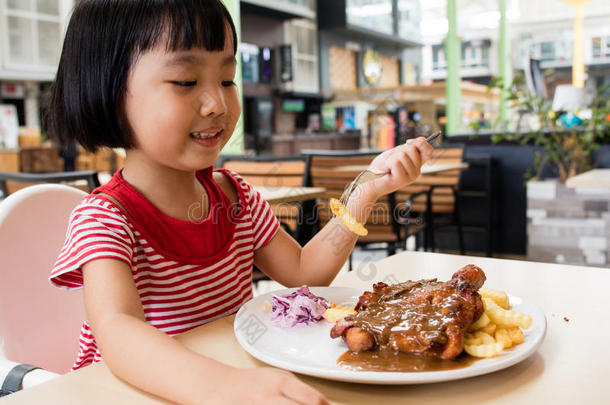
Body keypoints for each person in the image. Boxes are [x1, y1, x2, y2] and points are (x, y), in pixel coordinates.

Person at [45, 1, 433, 404]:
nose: (218, 103)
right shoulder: (106, 219)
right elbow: (119, 332)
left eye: (228, 80)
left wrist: (364, 189)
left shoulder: (236, 198)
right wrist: (223, 387)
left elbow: (306, 271)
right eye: (185, 81)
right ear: (106, 89)